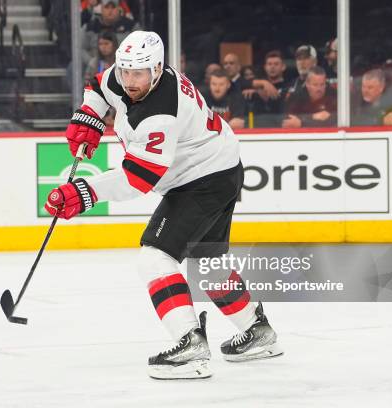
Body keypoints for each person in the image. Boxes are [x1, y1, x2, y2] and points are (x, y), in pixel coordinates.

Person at [44, 31, 283, 380]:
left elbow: (137, 180)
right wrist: (88, 117)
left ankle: (189, 344)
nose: (129, 81)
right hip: (220, 168)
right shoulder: (129, 75)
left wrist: (83, 192)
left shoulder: (160, 114)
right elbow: (99, 86)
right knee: (208, 265)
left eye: (138, 73)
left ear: (157, 69)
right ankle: (257, 331)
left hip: (201, 181)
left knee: (155, 259)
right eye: (125, 71)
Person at [254, 50, 289, 128]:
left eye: (276, 64)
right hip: (259, 128)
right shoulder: (258, 87)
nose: (272, 67)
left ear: (283, 67)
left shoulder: (289, 86)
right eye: (269, 64)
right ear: (265, 67)